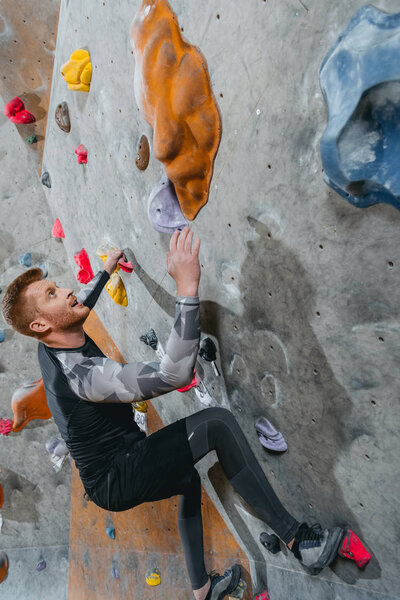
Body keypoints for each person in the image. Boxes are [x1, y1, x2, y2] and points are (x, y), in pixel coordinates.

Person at [1, 227, 345, 600]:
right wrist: (187, 285)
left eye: (57, 286)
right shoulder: (84, 378)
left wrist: (106, 271)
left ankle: (202, 590)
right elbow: (174, 373)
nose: (66, 289)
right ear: (39, 324)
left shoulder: (50, 337)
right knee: (218, 424)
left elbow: (77, 305)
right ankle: (298, 541)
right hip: (117, 474)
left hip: (109, 472)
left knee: (186, 480)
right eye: (52, 293)